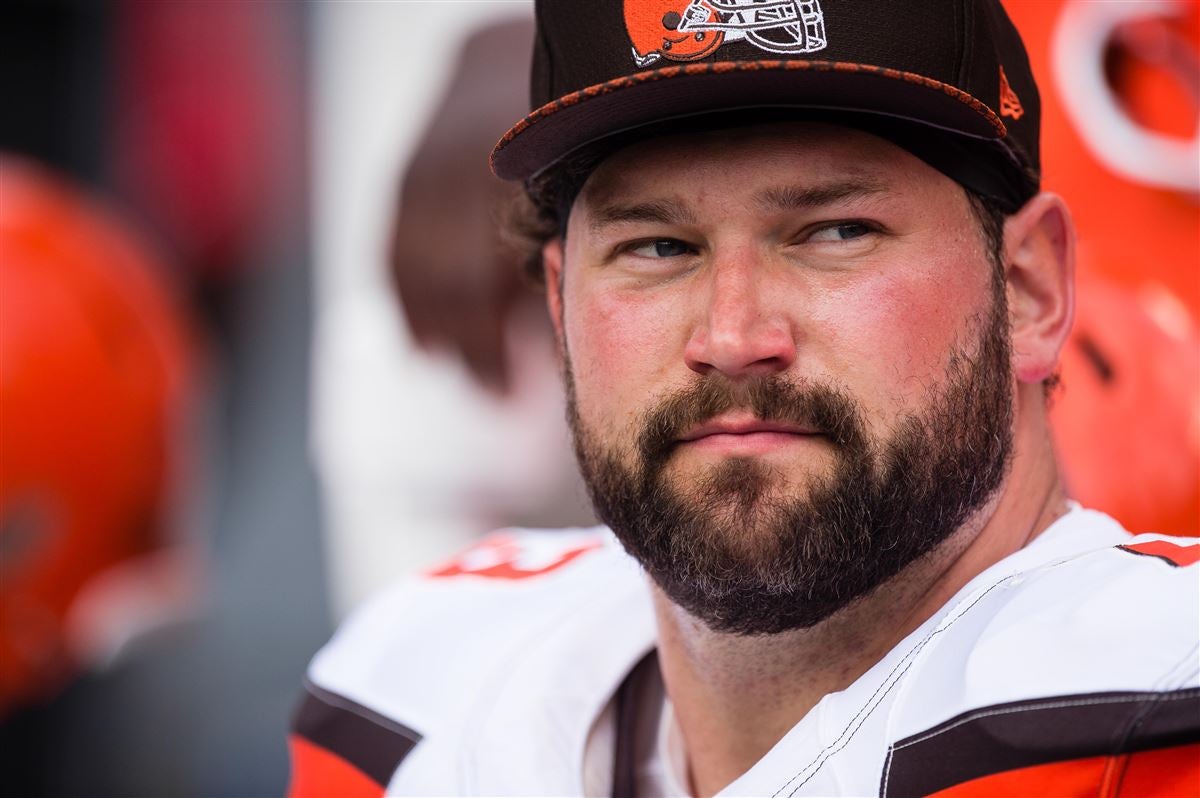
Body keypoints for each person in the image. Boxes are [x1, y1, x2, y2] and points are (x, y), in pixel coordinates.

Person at [289, 2, 1200, 796]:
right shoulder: (412, 697)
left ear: (1030, 290)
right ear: (560, 306)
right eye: (657, 246)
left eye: (836, 231)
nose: (732, 337)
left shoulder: (1158, 704)